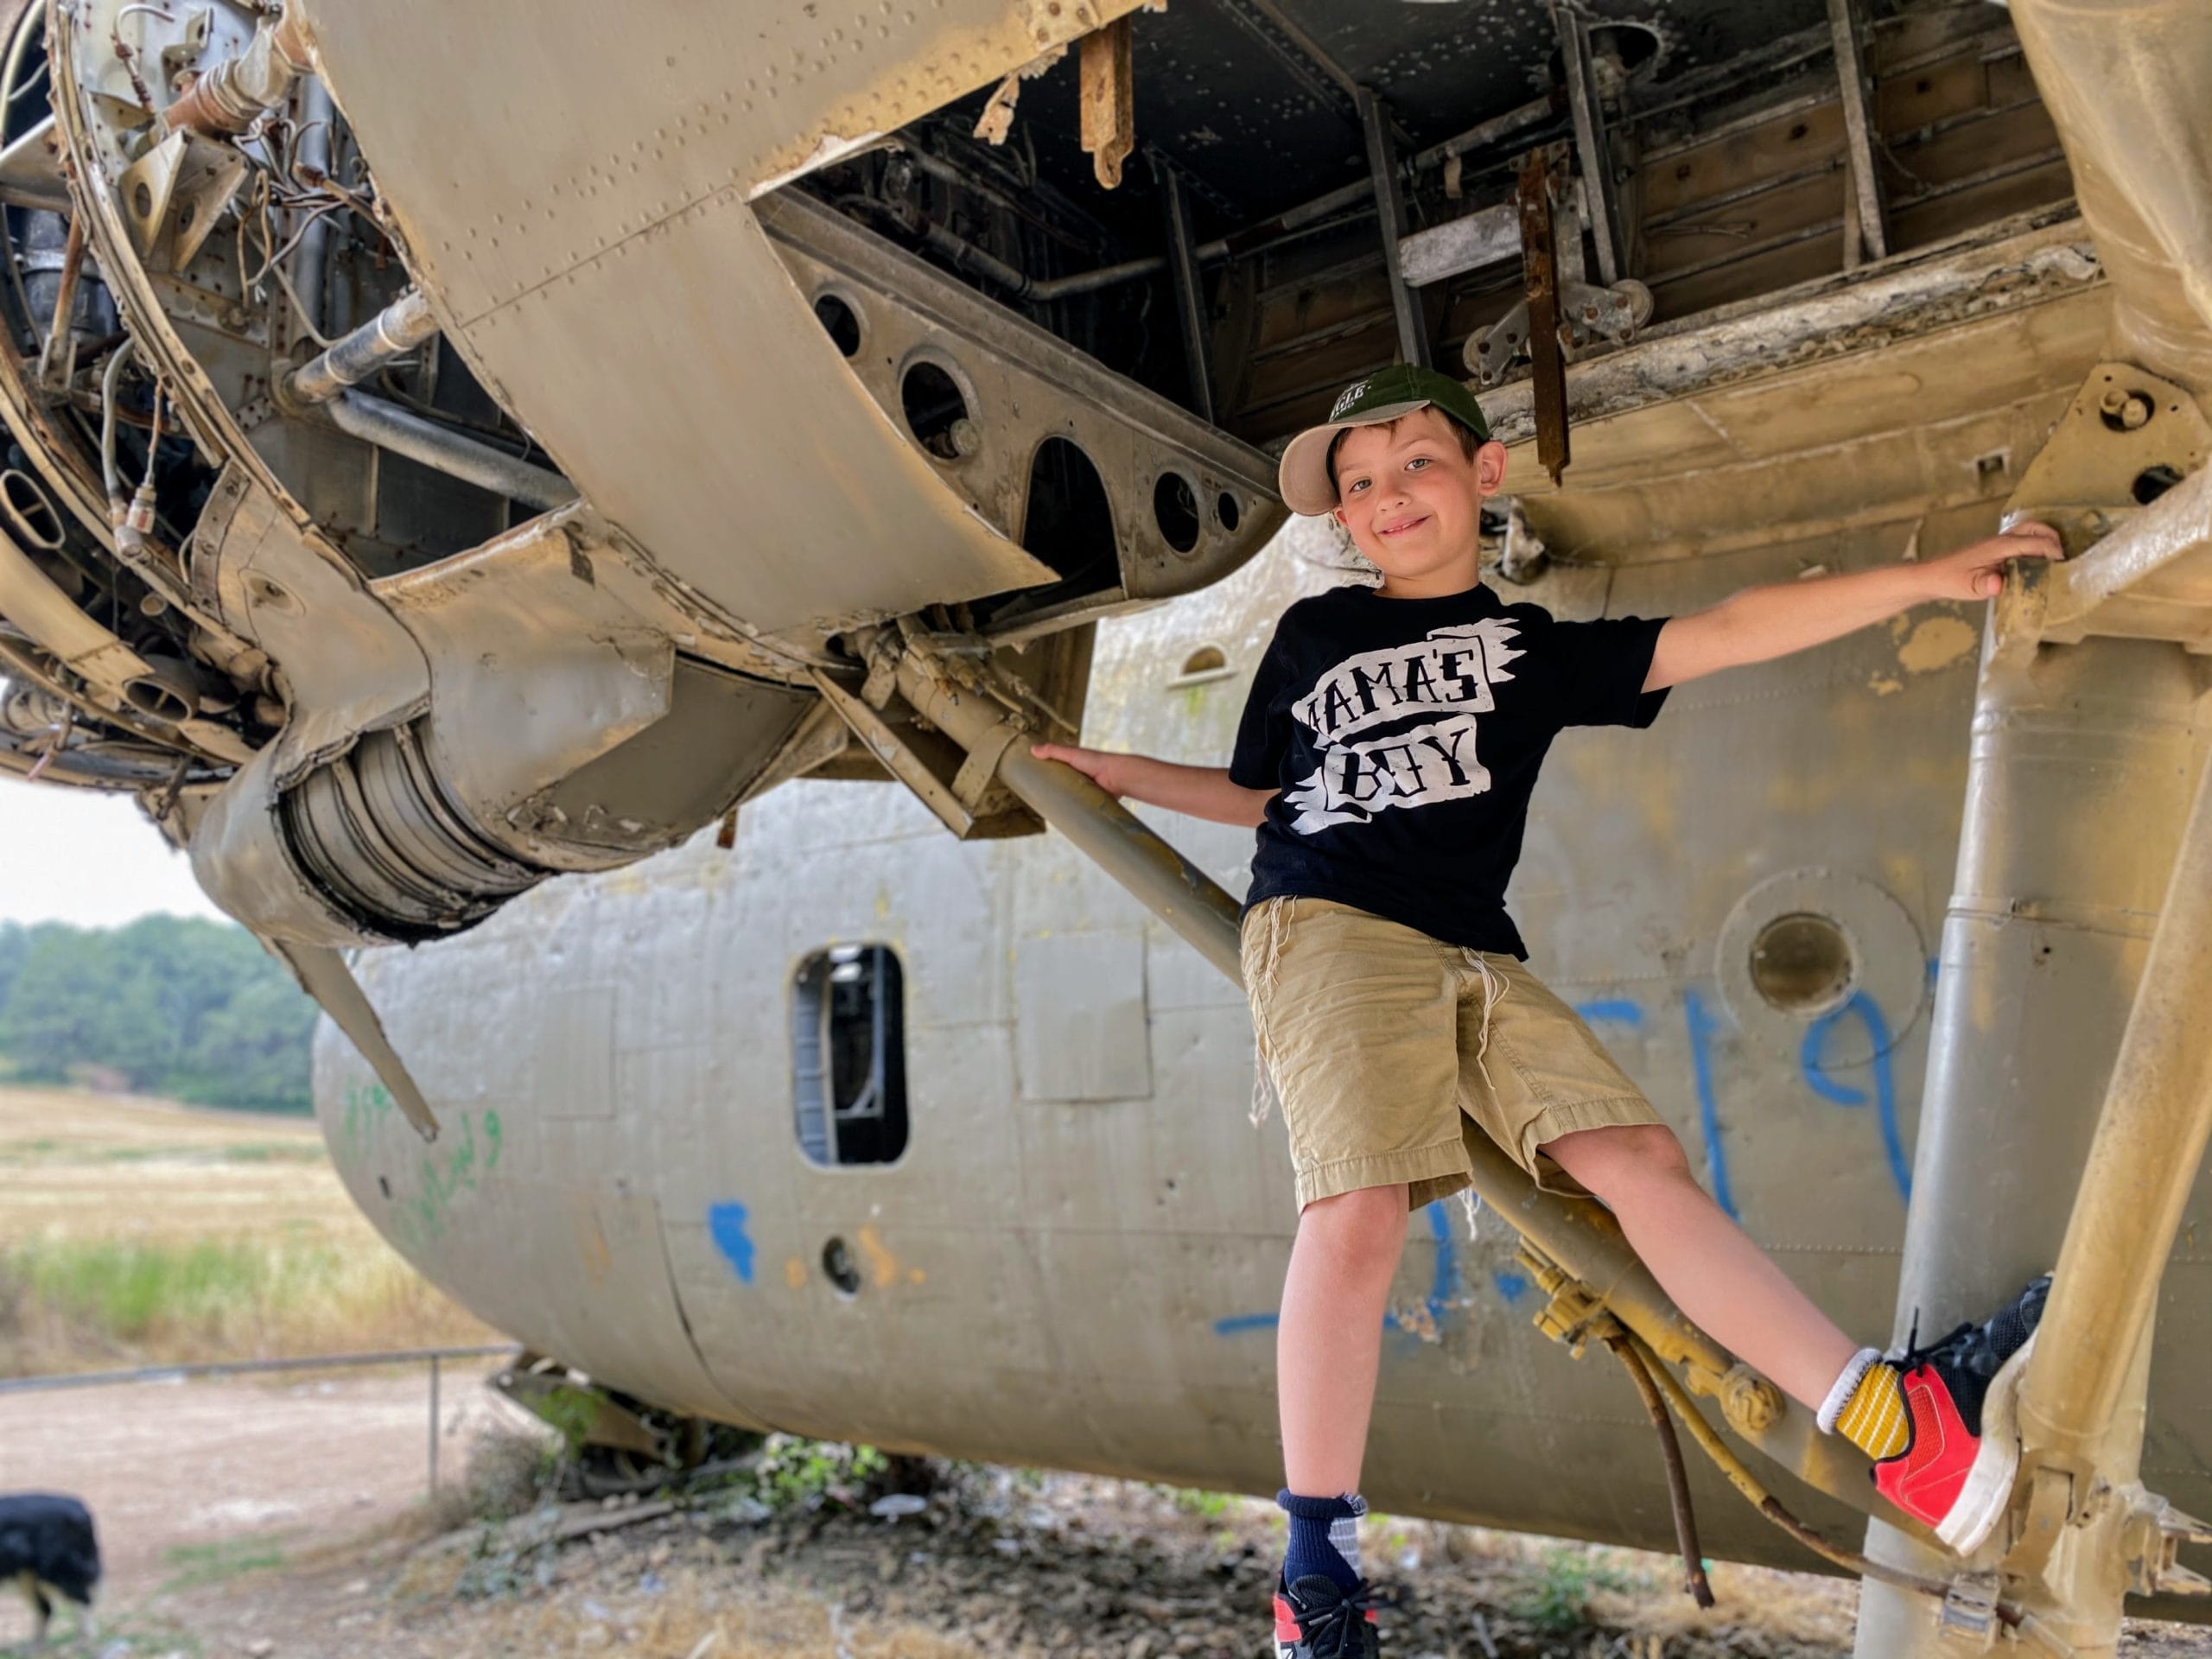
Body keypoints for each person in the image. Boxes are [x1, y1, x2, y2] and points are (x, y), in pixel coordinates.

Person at [1032, 364, 2063, 1658]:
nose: (1387, 495)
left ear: (1484, 475)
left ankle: (1898, 1430)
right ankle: (1319, 1577)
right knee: (1356, 1207)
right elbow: (1264, 796)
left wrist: (1929, 576)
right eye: (1359, 486)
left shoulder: (1529, 653)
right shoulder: (1313, 640)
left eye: (1414, 462)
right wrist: (1110, 772)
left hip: (1474, 949)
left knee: (1639, 1161)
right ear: (1344, 524)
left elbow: (1734, 626)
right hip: (1329, 924)